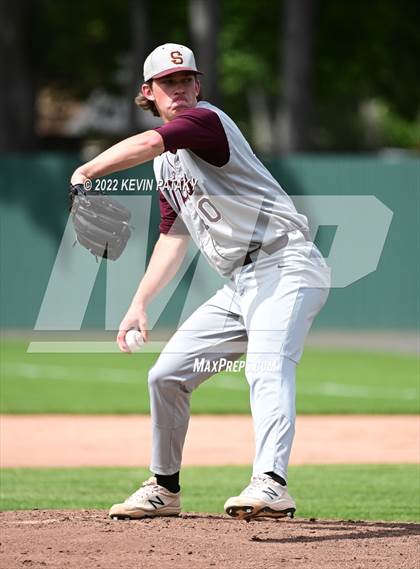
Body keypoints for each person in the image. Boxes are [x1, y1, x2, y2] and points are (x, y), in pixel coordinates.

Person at [71, 43, 330, 521]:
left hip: (287, 265)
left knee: (266, 365)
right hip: (241, 283)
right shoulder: (166, 163)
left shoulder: (204, 121)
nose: (181, 90)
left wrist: (87, 170)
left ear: (199, 86)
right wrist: (139, 305)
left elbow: (149, 142)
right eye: (168, 84)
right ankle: (163, 489)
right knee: (166, 375)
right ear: (147, 93)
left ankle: (271, 483)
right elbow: (174, 236)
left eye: (187, 80)